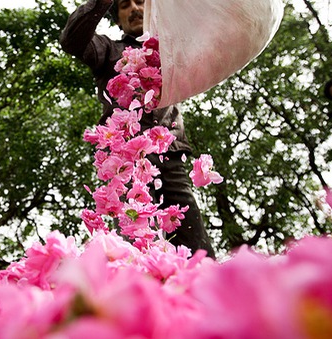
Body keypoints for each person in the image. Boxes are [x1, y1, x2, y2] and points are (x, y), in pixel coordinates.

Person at [60, 0, 216, 257]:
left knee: (195, 243)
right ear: (118, 19)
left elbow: (212, 35)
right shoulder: (108, 50)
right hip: (124, 161)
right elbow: (72, 41)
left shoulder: (174, 50)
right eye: (124, 5)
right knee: (135, 241)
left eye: (141, 1)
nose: (134, 8)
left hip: (171, 153)